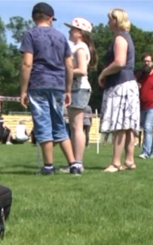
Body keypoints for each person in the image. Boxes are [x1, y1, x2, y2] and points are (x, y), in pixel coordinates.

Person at [19, 2, 77, 175]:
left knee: (43, 124)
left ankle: (48, 166)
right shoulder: (61, 37)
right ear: (51, 18)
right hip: (58, 84)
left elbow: (27, 63)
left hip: (38, 83)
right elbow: (69, 65)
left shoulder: (30, 35)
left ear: (33, 17)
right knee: (59, 124)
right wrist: (67, 89)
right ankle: (74, 164)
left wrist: (23, 90)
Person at [98, 8, 140, 172]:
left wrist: (103, 73)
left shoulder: (119, 39)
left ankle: (116, 162)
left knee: (120, 124)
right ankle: (129, 160)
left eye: (110, 19)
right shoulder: (126, 38)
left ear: (116, 20)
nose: (108, 22)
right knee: (128, 125)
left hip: (121, 84)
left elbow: (119, 62)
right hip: (129, 84)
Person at [61, 17, 96, 173]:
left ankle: (77, 162)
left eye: (72, 29)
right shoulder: (79, 47)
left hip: (78, 89)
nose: (69, 31)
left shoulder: (80, 48)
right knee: (76, 127)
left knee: (76, 128)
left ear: (80, 33)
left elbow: (82, 70)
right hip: (78, 89)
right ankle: (75, 162)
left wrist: (64, 71)